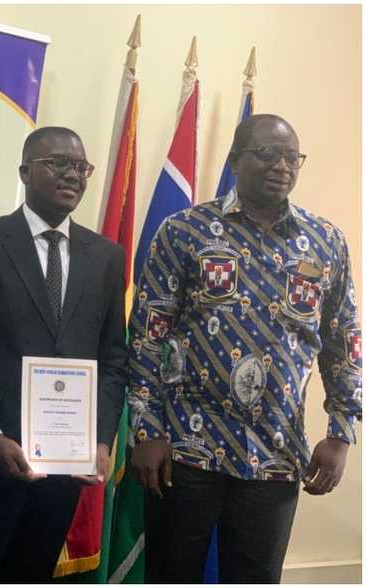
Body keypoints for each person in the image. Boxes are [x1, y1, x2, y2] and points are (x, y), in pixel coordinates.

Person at [128, 114, 361, 583]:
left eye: (292, 157)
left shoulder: (325, 242)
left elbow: (345, 343)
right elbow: (147, 336)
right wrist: (145, 429)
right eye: (267, 154)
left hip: (275, 453)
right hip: (186, 448)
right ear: (235, 159)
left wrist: (340, 433)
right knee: (171, 575)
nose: (282, 166)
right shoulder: (184, 230)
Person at [0, 127, 127, 582]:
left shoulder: (106, 258)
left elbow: (113, 357)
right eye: (57, 163)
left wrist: (99, 440)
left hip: (64, 463)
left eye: (81, 167)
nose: (72, 175)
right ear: (25, 171)